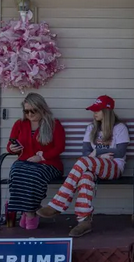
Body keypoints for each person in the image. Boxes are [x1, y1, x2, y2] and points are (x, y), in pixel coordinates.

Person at [37, 95, 129, 237]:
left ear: (107, 111)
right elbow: (86, 152)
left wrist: (97, 152)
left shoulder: (119, 127)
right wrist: (98, 156)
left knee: (83, 161)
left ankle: (57, 204)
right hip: (92, 166)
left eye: (97, 110)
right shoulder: (91, 128)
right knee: (85, 177)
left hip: (115, 167)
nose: (94, 113)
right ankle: (84, 221)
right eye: (94, 110)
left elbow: (120, 152)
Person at [6, 93, 66, 230]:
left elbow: (60, 147)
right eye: (26, 111)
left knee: (33, 175)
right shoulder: (20, 124)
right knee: (16, 172)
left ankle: (29, 213)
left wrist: (42, 157)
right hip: (24, 162)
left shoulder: (54, 124)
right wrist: (13, 148)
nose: (30, 114)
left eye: (33, 111)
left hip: (48, 164)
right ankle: (30, 212)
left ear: (42, 108)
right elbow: (9, 146)